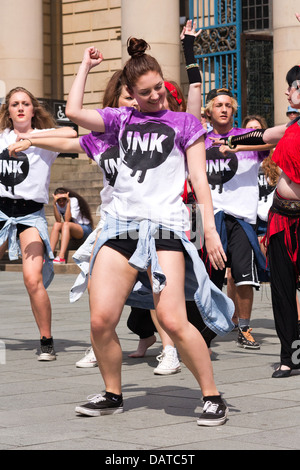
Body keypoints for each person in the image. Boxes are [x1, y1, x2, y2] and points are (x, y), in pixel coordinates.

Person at [64, 40, 234, 425]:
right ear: (132, 96)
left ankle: (212, 395)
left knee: (173, 319)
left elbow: (198, 178)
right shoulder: (120, 120)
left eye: (159, 87)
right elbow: (73, 112)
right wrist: (85, 67)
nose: (156, 95)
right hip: (120, 226)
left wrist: (208, 228)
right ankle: (112, 394)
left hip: (165, 229)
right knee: (100, 320)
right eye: (146, 92)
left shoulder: (185, 124)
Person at [214, 33, 300, 377]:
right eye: (297, 87)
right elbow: (257, 137)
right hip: (281, 220)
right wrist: (228, 141)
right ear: (289, 94)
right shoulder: (289, 127)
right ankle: (288, 355)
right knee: (280, 290)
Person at [0, 86, 77, 360]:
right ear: (8, 111)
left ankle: (46, 341)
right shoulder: (1, 137)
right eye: (14, 104)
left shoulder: (43, 138)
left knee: (33, 280)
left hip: (30, 214)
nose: (20, 108)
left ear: (33, 109)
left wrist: (32, 141)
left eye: (25, 103)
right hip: (1, 211)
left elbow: (71, 133)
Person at [204, 88, 270, 350]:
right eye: (218, 105)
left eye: (228, 105)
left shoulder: (246, 137)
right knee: (209, 277)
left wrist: (237, 145)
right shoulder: (201, 140)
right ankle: (206, 328)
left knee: (244, 278)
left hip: (242, 218)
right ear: (209, 111)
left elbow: (274, 141)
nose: (223, 109)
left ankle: (244, 327)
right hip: (210, 219)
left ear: (234, 110)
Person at [50, 187, 93, 264]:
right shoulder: (57, 203)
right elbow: (58, 220)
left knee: (66, 224)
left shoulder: (73, 200)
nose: (61, 202)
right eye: (59, 200)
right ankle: (49, 255)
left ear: (67, 196)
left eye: (63, 199)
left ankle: (61, 257)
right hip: (71, 230)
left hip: (85, 229)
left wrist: (68, 202)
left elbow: (67, 220)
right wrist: (54, 205)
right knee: (57, 225)